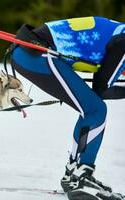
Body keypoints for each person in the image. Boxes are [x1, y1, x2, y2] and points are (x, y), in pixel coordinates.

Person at [10, 16, 125, 200]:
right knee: (96, 110)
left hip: (30, 51)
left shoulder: (120, 34)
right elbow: (101, 87)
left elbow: (102, 88)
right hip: (37, 53)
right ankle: (80, 176)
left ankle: (75, 173)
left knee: (93, 108)